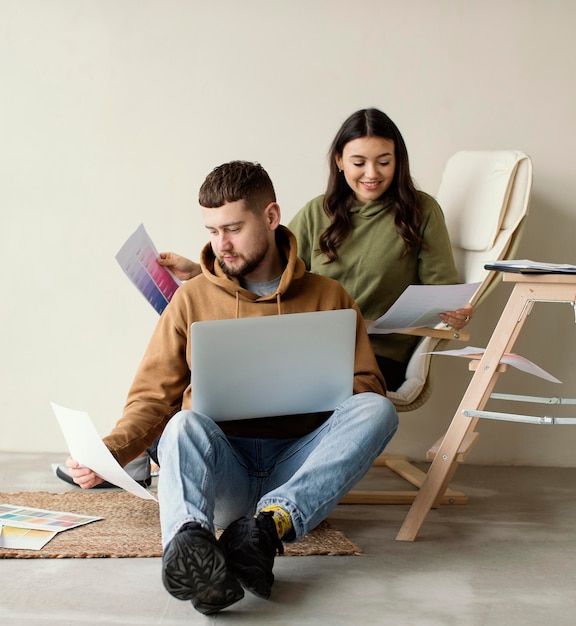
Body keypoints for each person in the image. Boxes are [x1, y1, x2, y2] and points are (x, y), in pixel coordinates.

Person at [64, 161, 398, 616]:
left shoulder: (329, 296)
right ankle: (192, 548)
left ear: (271, 216)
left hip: (295, 468)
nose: (221, 243)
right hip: (227, 472)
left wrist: (319, 386)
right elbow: (151, 396)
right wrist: (109, 453)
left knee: (378, 410)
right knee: (182, 423)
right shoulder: (191, 298)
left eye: (234, 228)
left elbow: (366, 386)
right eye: (212, 230)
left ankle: (267, 528)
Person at [159, 109, 472, 391]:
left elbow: (442, 289)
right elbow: (267, 264)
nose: (372, 173)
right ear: (339, 161)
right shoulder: (317, 212)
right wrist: (200, 269)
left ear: (398, 161)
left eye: (384, 162)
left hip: (376, 355)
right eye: (359, 162)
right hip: (308, 346)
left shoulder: (422, 211)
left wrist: (455, 314)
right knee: (203, 372)